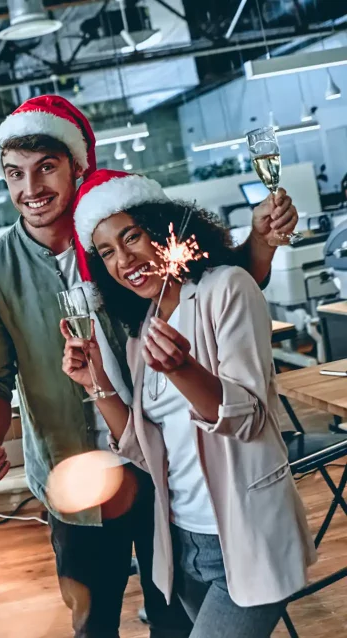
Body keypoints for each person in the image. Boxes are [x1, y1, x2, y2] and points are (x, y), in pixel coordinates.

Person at [0, 95, 298, 638]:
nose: (32, 188)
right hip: (75, 476)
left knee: (174, 619)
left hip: (164, 472)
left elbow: (210, 293)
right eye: (14, 174)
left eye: (47, 167)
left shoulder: (115, 231)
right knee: (93, 624)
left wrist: (259, 243)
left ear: (76, 165)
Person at [62, 169, 316, 637]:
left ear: (164, 228)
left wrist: (183, 370)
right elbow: (142, 446)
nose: (124, 259)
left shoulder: (227, 289)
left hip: (247, 536)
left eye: (132, 236)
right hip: (182, 542)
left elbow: (251, 418)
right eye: (107, 252)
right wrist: (94, 379)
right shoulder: (146, 325)